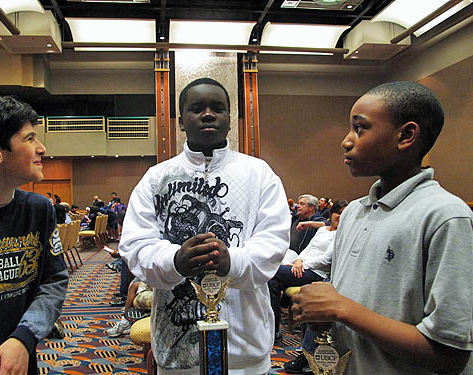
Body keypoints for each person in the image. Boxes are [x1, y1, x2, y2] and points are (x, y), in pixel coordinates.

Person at [291, 81, 473, 375]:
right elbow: (353, 307)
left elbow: (449, 355)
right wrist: (323, 314)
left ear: (406, 136)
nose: (346, 141)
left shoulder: (445, 216)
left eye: (360, 128)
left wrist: (341, 309)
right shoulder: (353, 212)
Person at [120, 77, 290, 374]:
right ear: (181, 121)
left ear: (230, 120)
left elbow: (273, 245)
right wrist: (174, 261)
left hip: (245, 345)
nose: (208, 114)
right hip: (177, 346)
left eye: (218, 108)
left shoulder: (258, 174)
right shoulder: (157, 178)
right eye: (197, 108)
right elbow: (136, 247)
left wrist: (231, 261)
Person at [0, 94, 69, 375]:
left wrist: (24, 337)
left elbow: (53, 281)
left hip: (17, 361)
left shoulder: (39, 210)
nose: (42, 148)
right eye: (29, 139)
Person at [269, 199, 348, 344]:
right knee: (272, 282)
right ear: (331, 214)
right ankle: (274, 331)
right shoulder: (323, 229)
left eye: (344, 214)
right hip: (302, 268)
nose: (340, 217)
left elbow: (326, 259)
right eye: (337, 213)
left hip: (316, 273)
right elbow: (308, 249)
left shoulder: (341, 234)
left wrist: (303, 265)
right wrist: (299, 261)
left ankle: (273, 330)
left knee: (270, 269)